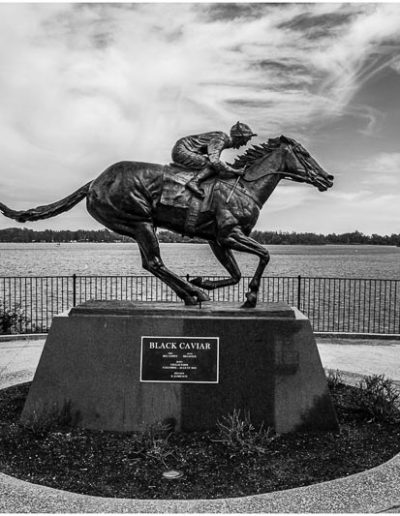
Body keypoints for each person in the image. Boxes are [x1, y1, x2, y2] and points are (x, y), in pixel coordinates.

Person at [171, 122, 257, 198]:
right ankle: (194, 182)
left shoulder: (223, 140)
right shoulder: (220, 139)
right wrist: (235, 171)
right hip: (182, 150)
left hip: (186, 149)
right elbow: (215, 161)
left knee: (215, 166)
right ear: (238, 138)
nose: (245, 144)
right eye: (245, 140)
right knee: (211, 165)